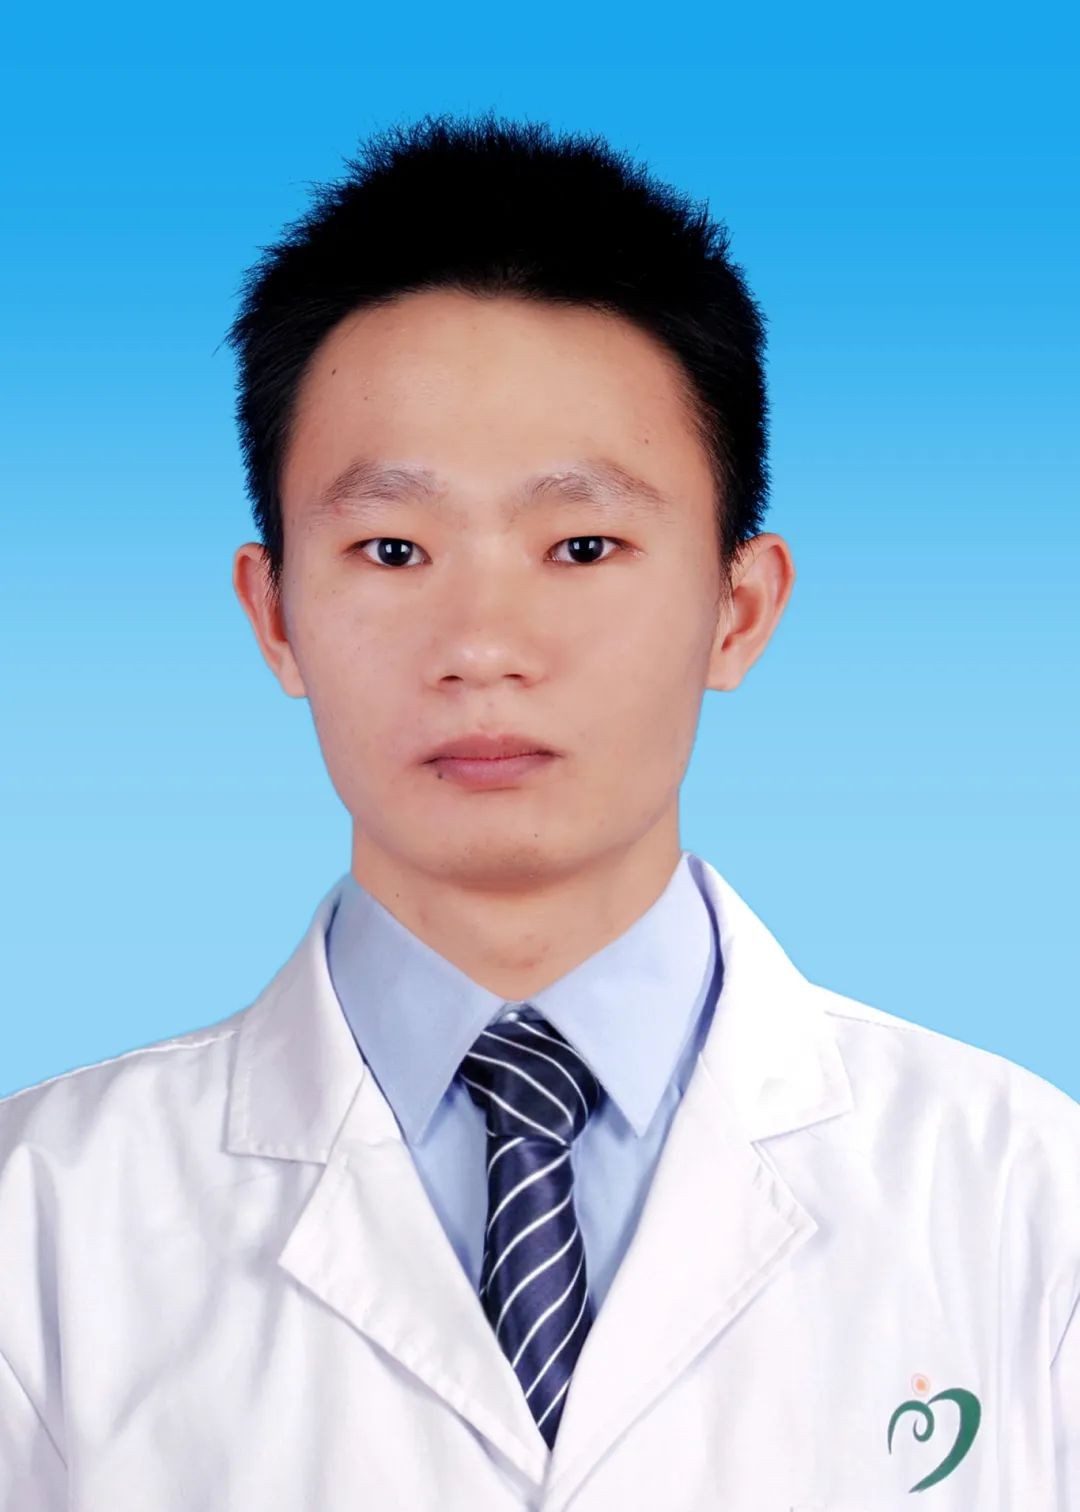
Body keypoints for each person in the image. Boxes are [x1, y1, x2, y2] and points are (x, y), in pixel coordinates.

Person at [1, 111, 1076, 1512]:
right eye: (393, 547)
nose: (483, 645)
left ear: (739, 609)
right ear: (275, 617)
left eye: (582, 544)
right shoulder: (40, 1223)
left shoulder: (1026, 1197)